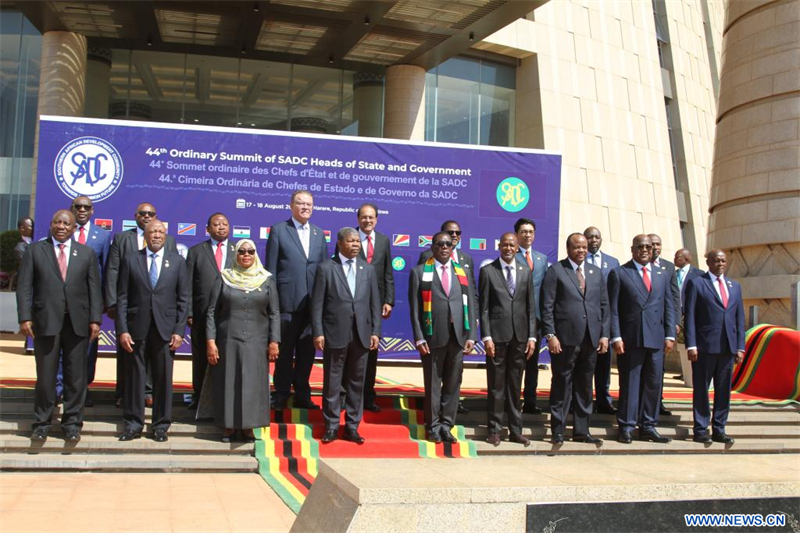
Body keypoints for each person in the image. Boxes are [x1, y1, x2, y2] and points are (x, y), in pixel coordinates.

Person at [16, 210, 102, 442]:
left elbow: (94, 288)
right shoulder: (36, 250)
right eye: (57, 222)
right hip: (46, 322)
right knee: (46, 376)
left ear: (74, 228)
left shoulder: (86, 253)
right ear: (51, 225)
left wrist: (95, 319)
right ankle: (42, 422)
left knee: (76, 377)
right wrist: (25, 318)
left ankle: (72, 423)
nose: (61, 226)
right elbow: (24, 287)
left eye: (66, 223)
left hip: (78, 324)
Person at [116, 220, 188, 443]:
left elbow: (183, 299)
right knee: (135, 378)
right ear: (145, 235)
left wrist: (179, 330)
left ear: (166, 236)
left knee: (163, 379)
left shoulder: (177, 262)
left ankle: (161, 425)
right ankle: (133, 424)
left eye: (160, 232)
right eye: (152, 232)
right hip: (137, 328)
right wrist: (123, 330)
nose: (156, 235)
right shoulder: (131, 259)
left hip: (165, 330)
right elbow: (122, 298)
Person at [206, 239, 280, 443]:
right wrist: (210, 341)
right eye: (242, 252)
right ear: (235, 255)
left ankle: (249, 428)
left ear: (256, 254)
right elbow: (211, 311)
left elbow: (274, 313)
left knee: (253, 383)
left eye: (250, 251)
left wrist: (274, 341)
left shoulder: (266, 280)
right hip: (229, 338)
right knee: (229, 381)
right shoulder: (224, 278)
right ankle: (228, 427)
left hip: (257, 340)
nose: (246, 255)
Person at [312, 228, 381, 444]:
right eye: (351, 241)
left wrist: (375, 331)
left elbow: (374, 304)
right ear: (340, 243)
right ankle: (331, 426)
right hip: (334, 333)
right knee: (332, 382)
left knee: (357, 383)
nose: (355, 245)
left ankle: (352, 426)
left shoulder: (368, 269)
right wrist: (318, 332)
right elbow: (317, 304)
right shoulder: (326, 268)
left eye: (357, 241)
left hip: (361, 334)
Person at [541, 233, 609, 445]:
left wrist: (605, 334)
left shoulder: (596, 272)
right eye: (577, 247)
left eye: (584, 247)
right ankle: (558, 431)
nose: (581, 251)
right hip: (564, 340)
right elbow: (547, 306)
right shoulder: (556, 271)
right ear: (568, 248)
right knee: (561, 385)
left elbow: (604, 306)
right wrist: (550, 335)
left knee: (585, 386)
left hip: (590, 339)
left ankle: (582, 430)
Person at [105, 203, 176, 408]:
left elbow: (170, 276)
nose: (146, 216)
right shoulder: (122, 238)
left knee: (154, 355)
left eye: (151, 214)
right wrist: (112, 302)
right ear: (135, 216)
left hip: (158, 310)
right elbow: (113, 271)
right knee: (127, 353)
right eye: (143, 213)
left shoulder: (168, 241)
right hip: (129, 307)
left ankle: (148, 391)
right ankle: (123, 393)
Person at [409, 231, 477, 443]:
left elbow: (471, 306)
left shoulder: (462, 272)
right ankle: (433, 426)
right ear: (433, 247)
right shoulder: (419, 272)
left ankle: (447, 425)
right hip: (432, 338)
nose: (445, 247)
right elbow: (414, 310)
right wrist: (419, 338)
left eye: (448, 244)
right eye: (440, 244)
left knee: (453, 384)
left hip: (458, 337)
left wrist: (472, 336)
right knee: (432, 385)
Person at [608, 234, 675, 444]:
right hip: (630, 338)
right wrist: (615, 336)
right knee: (630, 384)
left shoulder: (662, 274)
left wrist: (670, 333)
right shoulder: (619, 273)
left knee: (653, 384)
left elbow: (669, 305)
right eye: (640, 246)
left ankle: (648, 425)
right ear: (632, 249)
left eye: (648, 246)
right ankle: (626, 426)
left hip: (655, 338)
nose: (645, 250)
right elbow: (613, 309)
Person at [264, 190, 327, 410]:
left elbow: (324, 271)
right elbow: (270, 270)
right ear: (291, 206)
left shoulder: (319, 234)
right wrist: (272, 301)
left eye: (309, 204)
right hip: (286, 303)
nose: (305, 207)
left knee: (306, 352)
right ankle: (280, 393)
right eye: (300, 203)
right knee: (284, 351)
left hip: (312, 305)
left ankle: (302, 393)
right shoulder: (279, 231)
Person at [334, 203, 394, 412]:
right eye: (364, 217)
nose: (367, 221)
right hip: (349, 302)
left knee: (370, 351)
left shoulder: (384, 240)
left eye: (371, 218)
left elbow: (387, 273)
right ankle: (342, 396)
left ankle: (367, 397)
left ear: (376, 219)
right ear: (358, 219)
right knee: (345, 350)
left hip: (373, 304)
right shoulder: (347, 238)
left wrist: (388, 300)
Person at [479, 233, 537, 447]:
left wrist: (531, 335)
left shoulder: (525, 271)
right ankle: (494, 430)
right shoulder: (488, 271)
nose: (509, 248)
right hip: (497, 337)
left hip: (520, 337)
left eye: (512, 245)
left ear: (517, 247)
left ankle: (515, 430)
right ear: (499, 246)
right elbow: (483, 308)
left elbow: (531, 306)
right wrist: (486, 337)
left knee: (515, 385)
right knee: (495, 385)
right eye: (505, 244)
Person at [685, 250, 745, 445]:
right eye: (716, 260)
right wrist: (691, 344)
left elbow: (739, 318)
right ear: (708, 262)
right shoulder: (697, 283)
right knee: (702, 389)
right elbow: (691, 317)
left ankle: (719, 428)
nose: (720, 263)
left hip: (728, 348)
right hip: (704, 347)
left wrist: (740, 347)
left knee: (723, 390)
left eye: (723, 261)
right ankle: (701, 429)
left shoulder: (734, 286)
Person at [186, 213, 235, 409]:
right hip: (202, 314)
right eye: (216, 224)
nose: (221, 227)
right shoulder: (196, 251)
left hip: (230, 315)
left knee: (227, 357)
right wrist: (189, 312)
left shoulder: (238, 251)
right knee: (200, 357)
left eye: (225, 224)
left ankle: (224, 399)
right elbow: (187, 284)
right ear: (208, 229)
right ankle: (199, 397)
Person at [70, 196, 111, 407]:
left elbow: (106, 270)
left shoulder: (102, 236)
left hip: (90, 303)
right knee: (63, 347)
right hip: (64, 301)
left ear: (92, 211)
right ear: (72, 209)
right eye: (78, 206)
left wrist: (105, 301)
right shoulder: (64, 231)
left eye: (87, 207)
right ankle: (62, 389)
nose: (82, 210)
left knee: (88, 348)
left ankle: (84, 389)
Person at [583, 226, 620, 415]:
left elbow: (615, 297)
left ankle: (604, 400)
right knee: (584, 364)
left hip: (604, 321)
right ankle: (584, 400)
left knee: (603, 365)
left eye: (597, 237)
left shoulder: (613, 263)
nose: (593, 240)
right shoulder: (577, 262)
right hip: (583, 321)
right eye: (590, 237)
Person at [515, 218, 549, 415]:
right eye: (524, 231)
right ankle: (512, 401)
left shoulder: (542, 259)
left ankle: (530, 401)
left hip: (536, 320)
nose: (527, 235)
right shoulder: (510, 255)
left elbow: (545, 290)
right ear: (517, 234)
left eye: (530, 232)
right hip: (516, 318)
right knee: (516, 364)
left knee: (532, 363)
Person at [648, 233, 681, 416]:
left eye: (658, 244)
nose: (655, 247)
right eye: (652, 244)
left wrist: (675, 322)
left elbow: (674, 297)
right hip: (644, 327)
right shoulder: (636, 265)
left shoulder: (668, 267)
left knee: (658, 368)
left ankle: (657, 402)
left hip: (661, 326)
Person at [673, 248, 704, 380]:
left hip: (690, 313)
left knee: (689, 341)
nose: (674, 259)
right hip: (676, 312)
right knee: (680, 344)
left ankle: (691, 371)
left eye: (677, 257)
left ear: (686, 259)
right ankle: (684, 370)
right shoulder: (673, 274)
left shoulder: (698, 274)